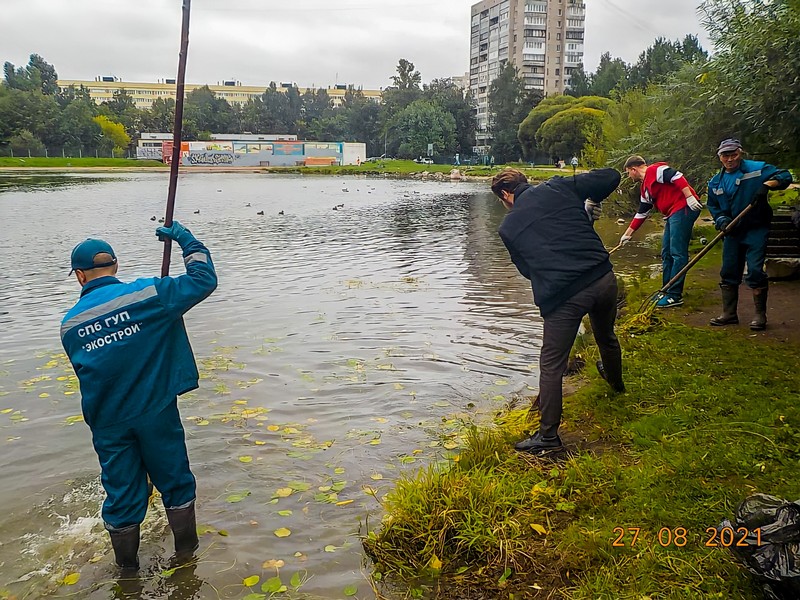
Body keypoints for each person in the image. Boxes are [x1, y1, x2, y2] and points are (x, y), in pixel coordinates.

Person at [60, 221, 218, 571]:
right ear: (115, 266)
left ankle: (127, 574)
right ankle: (187, 559)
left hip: (108, 422)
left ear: (80, 276)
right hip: (154, 411)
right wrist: (184, 239)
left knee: (121, 496)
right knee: (175, 483)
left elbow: (94, 368)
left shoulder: (69, 325)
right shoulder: (149, 294)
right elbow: (204, 279)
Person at [491, 168, 625, 454]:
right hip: (603, 279)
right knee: (606, 336)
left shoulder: (509, 228)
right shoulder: (557, 187)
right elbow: (612, 176)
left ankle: (549, 437)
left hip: (564, 297)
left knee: (551, 365)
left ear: (505, 195)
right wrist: (590, 201)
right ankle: (616, 385)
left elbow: (526, 270)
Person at [706, 138, 793, 330]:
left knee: (754, 270)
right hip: (732, 232)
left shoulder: (757, 169)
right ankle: (729, 314)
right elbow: (713, 206)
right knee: (728, 271)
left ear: (740, 152)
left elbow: (786, 176)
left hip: (756, 227)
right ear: (719, 157)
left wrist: (767, 185)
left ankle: (760, 315)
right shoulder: (715, 182)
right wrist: (722, 221)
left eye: (733, 154)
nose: (730, 159)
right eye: (725, 155)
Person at [619, 156, 703, 308]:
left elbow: (677, 177)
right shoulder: (644, 188)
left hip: (683, 207)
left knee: (677, 252)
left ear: (634, 169)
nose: (629, 177)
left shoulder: (655, 170)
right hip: (672, 213)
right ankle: (665, 290)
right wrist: (627, 234)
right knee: (666, 253)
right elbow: (642, 213)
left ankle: (674, 295)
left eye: (628, 173)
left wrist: (689, 197)